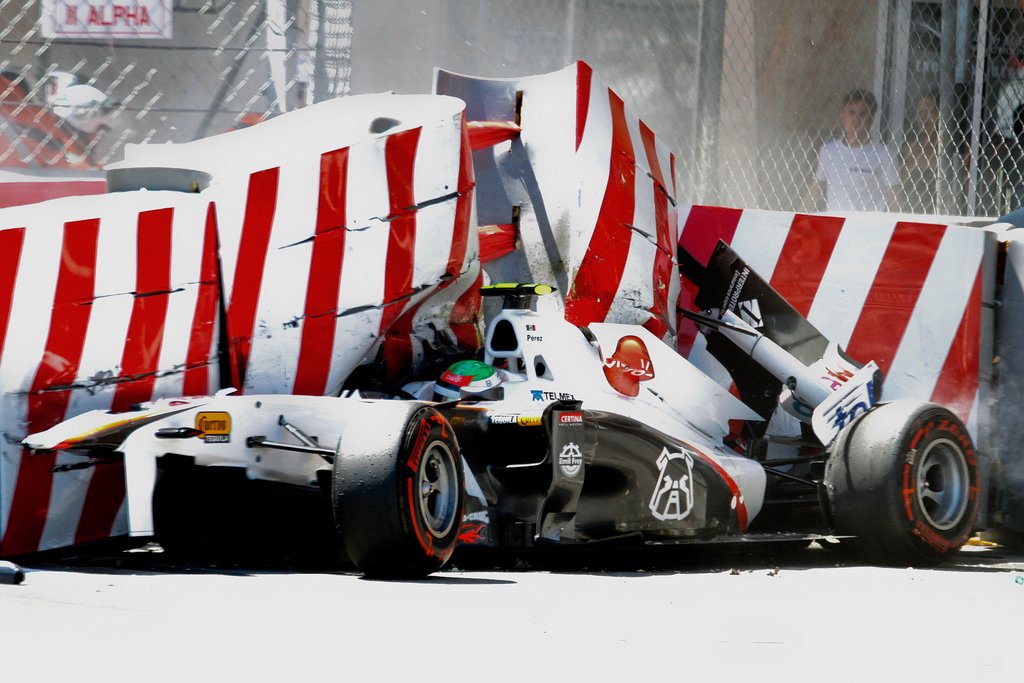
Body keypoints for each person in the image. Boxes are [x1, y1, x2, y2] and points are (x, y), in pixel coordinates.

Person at [806, 89, 900, 212]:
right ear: (843, 116)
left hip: (867, 223)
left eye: (862, 114)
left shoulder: (884, 154)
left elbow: (895, 201)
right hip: (835, 222)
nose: (856, 120)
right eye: (851, 113)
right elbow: (816, 190)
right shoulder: (828, 151)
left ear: (871, 119)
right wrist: (796, 218)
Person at [900, 93, 940, 214]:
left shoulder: (950, 148)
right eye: (920, 112)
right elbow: (899, 188)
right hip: (912, 213)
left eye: (930, 111)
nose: (924, 117)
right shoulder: (909, 149)